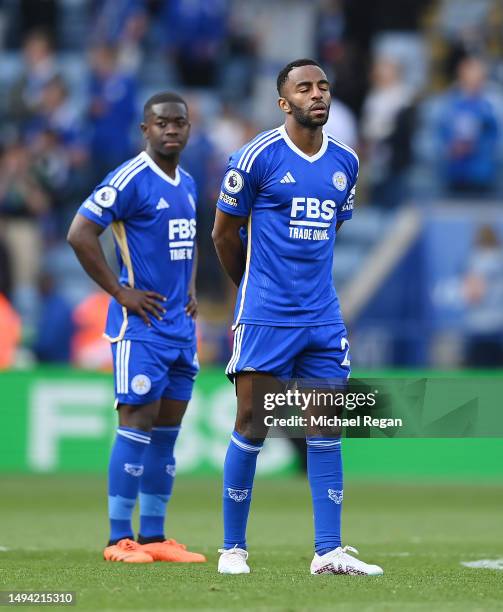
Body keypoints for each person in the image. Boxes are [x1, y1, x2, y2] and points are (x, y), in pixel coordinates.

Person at [212, 58, 383, 576]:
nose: (318, 95)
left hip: (323, 318)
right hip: (266, 315)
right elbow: (223, 234)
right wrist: (249, 290)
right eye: (305, 88)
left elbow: (332, 230)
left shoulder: (346, 162)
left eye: (324, 86)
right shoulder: (254, 158)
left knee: (326, 429)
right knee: (252, 424)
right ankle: (232, 549)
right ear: (284, 102)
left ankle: (328, 551)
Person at [67, 91, 205, 564]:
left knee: (167, 431)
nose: (171, 129)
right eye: (161, 122)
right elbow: (80, 232)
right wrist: (119, 292)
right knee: (136, 424)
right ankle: (117, 539)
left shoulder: (187, 181)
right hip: (139, 326)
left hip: (179, 328)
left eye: (179, 122)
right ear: (145, 130)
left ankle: (153, 537)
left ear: (189, 128)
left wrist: (189, 289)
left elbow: (188, 242)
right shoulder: (130, 178)